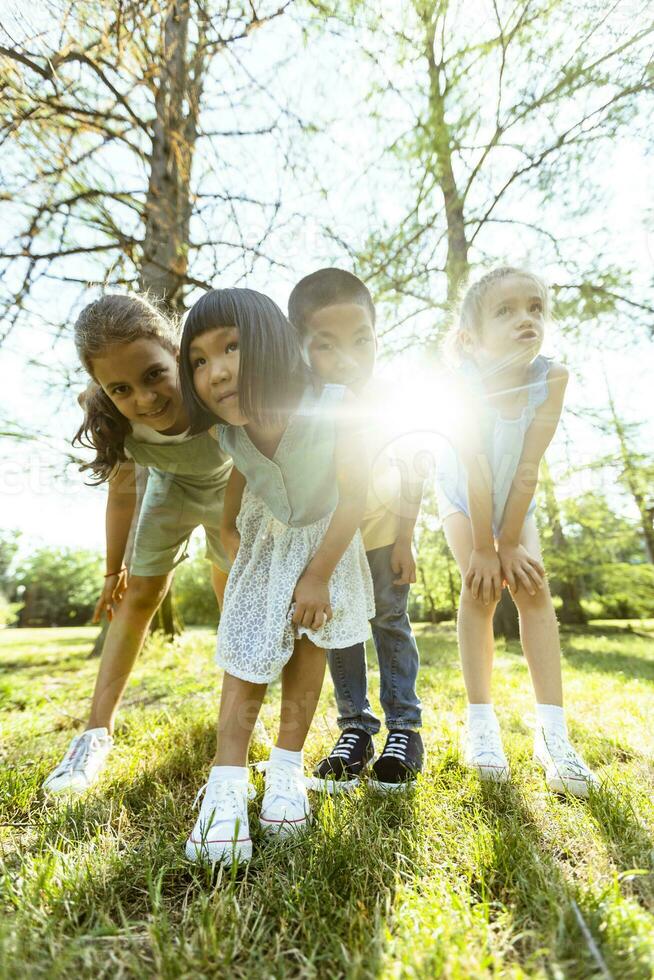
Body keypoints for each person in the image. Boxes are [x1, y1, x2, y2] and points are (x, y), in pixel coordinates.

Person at [178, 286, 375, 866]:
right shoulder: (227, 429)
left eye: (231, 348)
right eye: (199, 360)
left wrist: (317, 575)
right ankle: (227, 783)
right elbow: (243, 471)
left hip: (327, 539)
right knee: (246, 652)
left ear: (270, 343)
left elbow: (356, 497)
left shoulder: (334, 404)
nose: (215, 372)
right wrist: (228, 526)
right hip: (266, 541)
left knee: (309, 645)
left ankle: (287, 768)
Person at [43, 294, 232, 795]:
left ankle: (236, 722)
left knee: (232, 599)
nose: (145, 400)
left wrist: (233, 534)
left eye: (153, 374)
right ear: (104, 390)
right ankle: (94, 733)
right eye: (122, 388)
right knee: (139, 595)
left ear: (176, 352)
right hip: (170, 491)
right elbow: (123, 496)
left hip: (234, 493)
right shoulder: (115, 421)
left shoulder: (213, 387)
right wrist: (113, 571)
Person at [436, 266, 598, 796]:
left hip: (514, 495)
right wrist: (486, 547)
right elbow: (477, 469)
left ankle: (553, 736)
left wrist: (510, 540)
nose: (525, 319)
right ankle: (480, 725)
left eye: (535, 307)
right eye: (505, 311)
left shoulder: (552, 378)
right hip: (464, 492)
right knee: (480, 590)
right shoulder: (460, 386)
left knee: (534, 587)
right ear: (471, 339)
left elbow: (528, 466)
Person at [287, 268, 425, 792]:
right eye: (327, 345)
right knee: (341, 629)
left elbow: (415, 469)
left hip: (385, 530)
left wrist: (407, 539)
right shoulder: (305, 407)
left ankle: (404, 730)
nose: (348, 356)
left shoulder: (393, 399)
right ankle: (356, 729)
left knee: (390, 622)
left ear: (376, 337)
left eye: (360, 340)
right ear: (301, 349)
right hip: (331, 540)